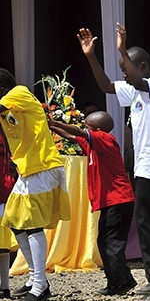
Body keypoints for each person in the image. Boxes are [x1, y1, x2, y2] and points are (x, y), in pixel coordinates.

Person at [78, 25, 150, 297]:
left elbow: (135, 81)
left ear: (143, 66)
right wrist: (91, 56)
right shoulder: (132, 91)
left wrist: (122, 48)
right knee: (149, 220)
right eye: (122, 67)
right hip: (144, 163)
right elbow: (106, 85)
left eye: (127, 66)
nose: (123, 72)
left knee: (149, 221)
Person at [0, 68, 71, 301]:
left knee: (31, 225)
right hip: (29, 169)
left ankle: (40, 285)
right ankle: (35, 278)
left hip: (42, 165)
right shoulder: (9, 104)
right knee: (15, 221)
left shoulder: (18, 92)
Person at [48, 111, 136, 295]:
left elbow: (77, 132)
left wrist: (56, 121)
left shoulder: (105, 138)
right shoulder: (94, 143)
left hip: (118, 199)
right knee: (105, 241)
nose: (83, 129)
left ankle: (119, 284)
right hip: (112, 201)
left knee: (111, 243)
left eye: (87, 126)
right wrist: (51, 126)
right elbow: (72, 137)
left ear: (97, 130)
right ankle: (124, 280)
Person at [0, 126, 16, 298]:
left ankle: (4, 286)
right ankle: (4, 286)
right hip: (4, 191)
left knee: (2, 243)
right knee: (2, 243)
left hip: (2, 191)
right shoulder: (4, 136)